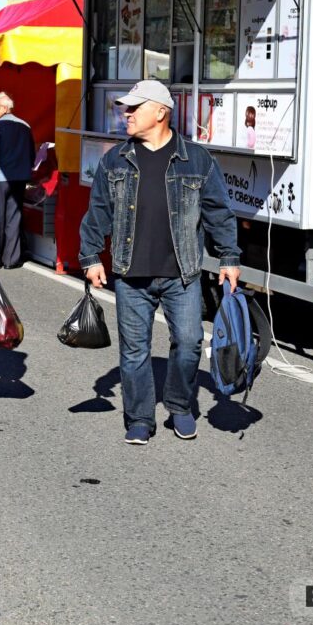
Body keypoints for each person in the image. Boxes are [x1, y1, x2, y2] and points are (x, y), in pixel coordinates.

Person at [79, 79, 242, 445]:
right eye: (127, 108)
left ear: (161, 112)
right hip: (129, 273)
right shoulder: (115, 158)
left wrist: (229, 256)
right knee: (134, 351)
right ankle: (139, 419)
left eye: (136, 108)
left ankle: (180, 406)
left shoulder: (196, 159)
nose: (127, 114)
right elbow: (99, 211)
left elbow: (218, 211)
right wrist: (91, 256)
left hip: (181, 273)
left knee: (188, 344)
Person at [0, 92, 35, 269]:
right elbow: (32, 153)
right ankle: (11, 259)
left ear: (4, 108)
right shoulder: (25, 126)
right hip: (19, 178)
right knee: (14, 218)